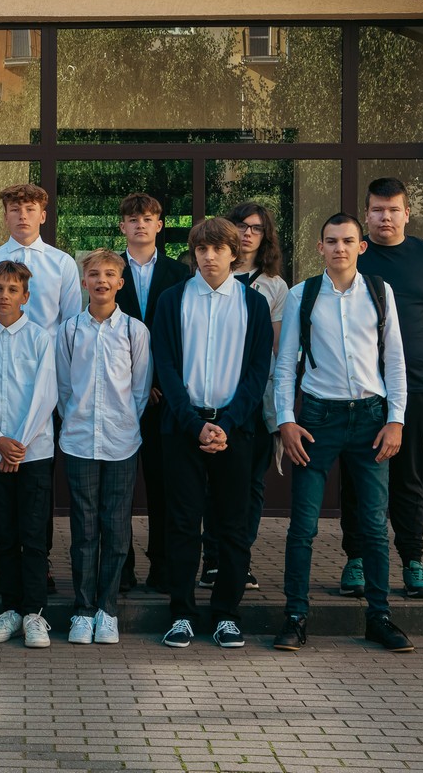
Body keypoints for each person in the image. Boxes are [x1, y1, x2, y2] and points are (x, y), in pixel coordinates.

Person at [272, 212, 413, 653]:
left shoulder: (380, 292)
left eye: (348, 240)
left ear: (361, 246)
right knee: (303, 526)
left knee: (373, 526)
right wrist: (285, 420)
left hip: (371, 418)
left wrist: (396, 419)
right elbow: (285, 363)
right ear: (320, 247)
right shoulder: (302, 294)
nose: (339, 248)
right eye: (331, 241)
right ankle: (295, 617)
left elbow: (395, 361)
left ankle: (379, 617)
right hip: (317, 419)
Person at [153, 218, 273, 650]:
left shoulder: (253, 304)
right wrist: (194, 424)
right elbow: (166, 367)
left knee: (232, 527)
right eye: (201, 249)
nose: (209, 257)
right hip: (183, 428)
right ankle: (182, 614)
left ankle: (226, 615)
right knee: (183, 524)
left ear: (234, 253)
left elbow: (258, 372)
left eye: (218, 249)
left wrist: (226, 424)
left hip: (234, 430)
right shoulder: (172, 300)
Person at [338, 177, 423, 600]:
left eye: (393, 210)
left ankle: (413, 561)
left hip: (417, 384)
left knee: (408, 477)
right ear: (366, 215)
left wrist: (407, 350)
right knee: (358, 477)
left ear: (407, 213)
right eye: (377, 210)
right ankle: (357, 559)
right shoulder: (356, 255)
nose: (385, 217)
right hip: (365, 387)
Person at [0, 184, 80, 593]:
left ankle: (39, 563)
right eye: (14, 209)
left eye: (30, 208)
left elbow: (70, 326)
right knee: (1, 498)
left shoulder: (62, 263)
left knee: (37, 491)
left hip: (44, 385)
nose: (22, 215)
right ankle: (5, 567)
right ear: (5, 215)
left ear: (43, 215)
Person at [57, 249, 152, 645]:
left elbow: (140, 389)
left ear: (120, 283)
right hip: (79, 440)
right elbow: (64, 387)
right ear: (84, 282)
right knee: (84, 529)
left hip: (121, 443)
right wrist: (76, 419)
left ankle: (107, 609)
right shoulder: (69, 330)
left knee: (116, 528)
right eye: (94, 274)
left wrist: (124, 423)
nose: (101, 280)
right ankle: (82, 610)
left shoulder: (134, 331)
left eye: (109, 274)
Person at [198, 203, 288, 592]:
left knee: (251, 484)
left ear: (266, 236)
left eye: (257, 228)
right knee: (212, 484)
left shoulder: (275, 286)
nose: (248, 233)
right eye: (241, 226)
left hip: (257, 397)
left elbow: (277, 348)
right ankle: (212, 559)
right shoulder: (210, 274)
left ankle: (240, 559)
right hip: (214, 394)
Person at [0, 260, 58, 648]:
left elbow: (45, 394)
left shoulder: (40, 339)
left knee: (33, 534)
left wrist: (18, 445)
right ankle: (9, 609)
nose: (4, 296)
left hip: (33, 453)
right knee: (4, 533)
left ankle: (35, 613)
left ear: (25, 296)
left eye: (12, 290)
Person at [113, 192, 191, 594]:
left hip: (166, 398)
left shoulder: (180, 273)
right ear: (122, 226)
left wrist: (160, 382)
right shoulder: (109, 269)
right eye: (133, 219)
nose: (140, 224)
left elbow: (183, 335)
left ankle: (162, 567)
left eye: (147, 218)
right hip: (119, 396)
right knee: (119, 491)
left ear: (159, 225)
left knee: (164, 487)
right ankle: (121, 568)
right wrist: (134, 384)